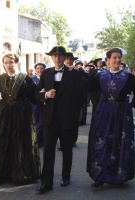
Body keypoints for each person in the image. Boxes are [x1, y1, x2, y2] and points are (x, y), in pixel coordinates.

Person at [86, 47, 135, 188]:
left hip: (121, 113)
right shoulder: (101, 75)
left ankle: (119, 176)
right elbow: (89, 88)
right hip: (104, 112)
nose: (117, 60)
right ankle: (100, 175)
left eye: (119, 57)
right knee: (101, 142)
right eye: (114, 57)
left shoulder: (127, 76)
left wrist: (130, 106)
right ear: (108, 60)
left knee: (119, 143)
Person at [36, 46, 85, 194]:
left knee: (67, 149)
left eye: (60, 56)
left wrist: (72, 112)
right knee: (48, 151)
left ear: (64, 57)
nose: (57, 58)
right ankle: (46, 182)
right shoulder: (46, 73)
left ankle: (66, 176)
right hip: (50, 119)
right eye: (54, 56)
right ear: (51, 58)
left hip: (67, 120)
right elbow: (36, 94)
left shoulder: (74, 74)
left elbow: (81, 97)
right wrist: (45, 96)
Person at [0, 52, 41, 185]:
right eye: (5, 63)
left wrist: (43, 98)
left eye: (11, 62)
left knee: (21, 142)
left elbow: (33, 94)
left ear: (16, 63)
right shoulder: (0, 79)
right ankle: (2, 173)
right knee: (2, 141)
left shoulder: (25, 78)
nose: (8, 65)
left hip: (21, 114)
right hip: (4, 116)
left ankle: (22, 173)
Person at [31, 62, 46, 147]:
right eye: (38, 68)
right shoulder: (31, 79)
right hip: (35, 105)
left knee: (44, 122)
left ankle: (43, 139)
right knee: (36, 122)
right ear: (35, 70)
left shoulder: (48, 78)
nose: (39, 70)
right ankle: (36, 140)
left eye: (41, 68)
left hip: (45, 104)